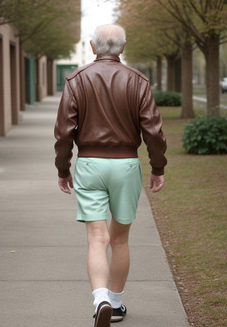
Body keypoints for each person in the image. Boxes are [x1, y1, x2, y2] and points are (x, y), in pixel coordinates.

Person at [54, 24, 167, 327]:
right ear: (123, 47)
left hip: (89, 164)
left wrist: (63, 169)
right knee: (119, 239)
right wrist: (158, 168)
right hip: (126, 166)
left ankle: (99, 298)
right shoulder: (138, 81)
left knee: (96, 238)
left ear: (92, 46)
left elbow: (64, 132)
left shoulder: (76, 79)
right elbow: (154, 132)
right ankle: (115, 305)